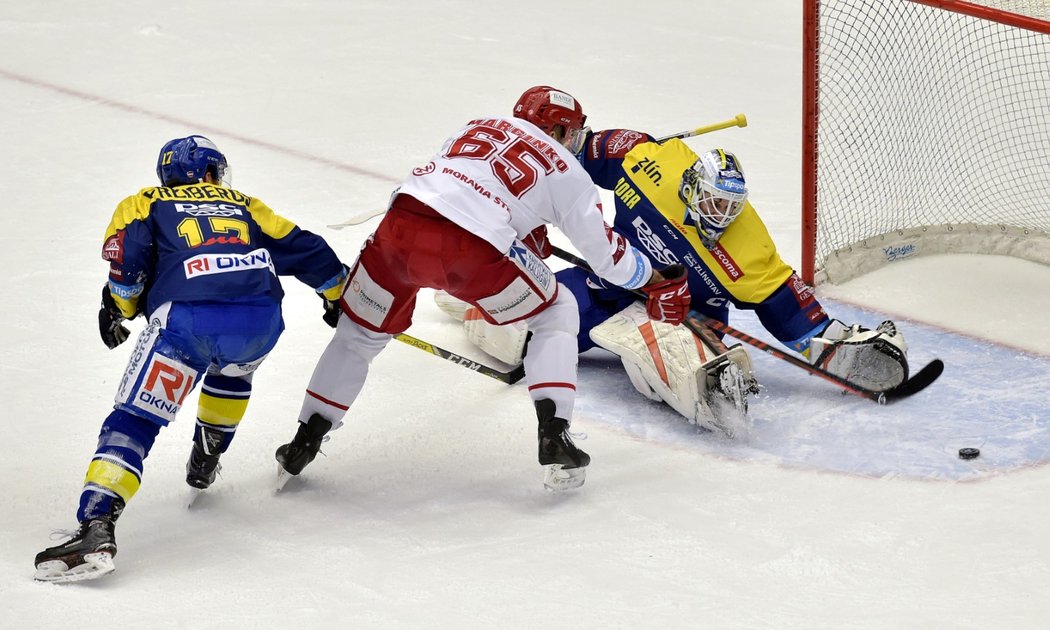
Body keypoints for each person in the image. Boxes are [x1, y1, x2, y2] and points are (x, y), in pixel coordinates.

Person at [272, 86, 691, 494]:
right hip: (472, 251)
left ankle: (304, 439)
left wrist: (523, 231)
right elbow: (606, 258)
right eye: (573, 134)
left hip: (400, 227)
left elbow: (469, 188)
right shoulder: (569, 169)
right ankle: (555, 436)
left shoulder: (475, 126)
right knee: (558, 310)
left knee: (358, 334)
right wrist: (654, 279)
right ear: (563, 131)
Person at [436, 129, 909, 437]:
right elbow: (575, 155)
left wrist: (835, 347)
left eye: (731, 208)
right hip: (608, 287)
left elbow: (791, 311)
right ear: (691, 186)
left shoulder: (748, 250)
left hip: (685, 318)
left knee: (671, 365)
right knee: (521, 327)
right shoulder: (651, 164)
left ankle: (716, 383)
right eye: (714, 203)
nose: (721, 216)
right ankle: (470, 296)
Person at [34, 135, 348, 583]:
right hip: (259, 323)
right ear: (207, 172)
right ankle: (207, 453)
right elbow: (307, 248)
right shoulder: (244, 203)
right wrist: (336, 295)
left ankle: (97, 526)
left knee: (135, 421)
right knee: (232, 370)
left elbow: (126, 266)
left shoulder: (144, 201)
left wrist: (119, 311)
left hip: (186, 324)